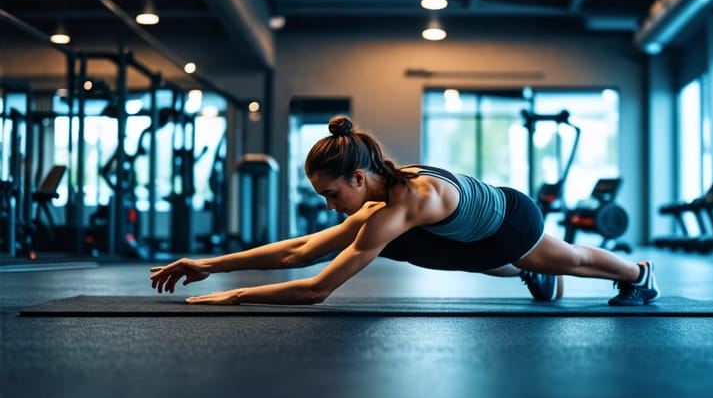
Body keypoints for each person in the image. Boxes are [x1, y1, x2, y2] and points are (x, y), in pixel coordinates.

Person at [149, 116, 659, 307]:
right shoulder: (380, 193)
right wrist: (208, 264)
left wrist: (234, 296)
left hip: (512, 222)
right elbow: (301, 250)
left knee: (574, 260)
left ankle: (639, 274)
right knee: (400, 243)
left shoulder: (398, 208)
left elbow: (315, 287)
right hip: (475, 233)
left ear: (356, 177)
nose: (329, 207)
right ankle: (530, 274)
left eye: (331, 195)